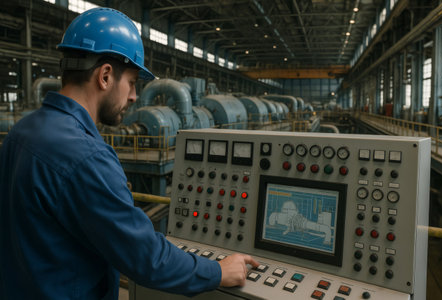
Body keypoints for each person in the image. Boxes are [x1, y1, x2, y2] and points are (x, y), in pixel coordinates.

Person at [0, 7, 258, 300]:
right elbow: (148, 260)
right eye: (133, 83)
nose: (135, 96)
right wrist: (218, 271)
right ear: (106, 76)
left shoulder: (20, 132)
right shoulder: (87, 157)